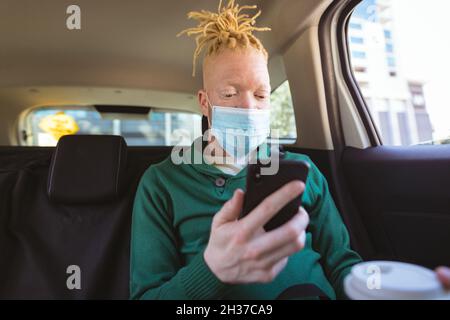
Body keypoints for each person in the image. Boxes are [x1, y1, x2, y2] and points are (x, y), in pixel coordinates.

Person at [129, 0, 450, 299]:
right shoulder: (161, 183)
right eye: (229, 93)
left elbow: (341, 263)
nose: (249, 107)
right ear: (204, 102)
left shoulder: (301, 170)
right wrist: (212, 268)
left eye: (261, 94)